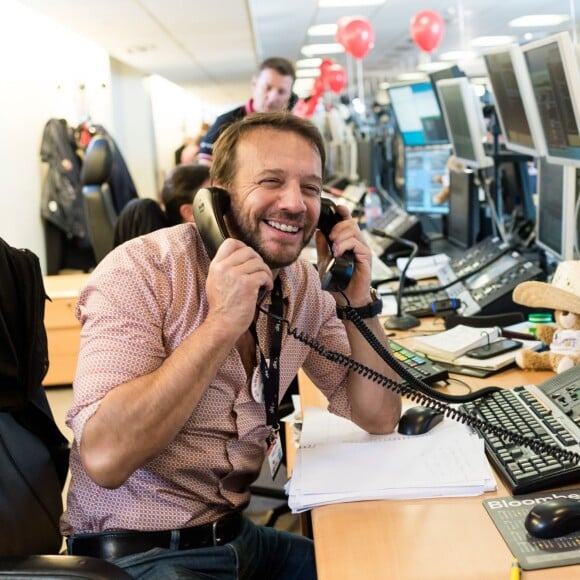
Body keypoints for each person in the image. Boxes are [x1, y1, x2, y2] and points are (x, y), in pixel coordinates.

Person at [61, 111, 402, 579]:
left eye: (310, 187)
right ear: (216, 196)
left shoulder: (301, 284)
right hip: (141, 555)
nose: (296, 204)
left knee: (379, 567)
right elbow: (105, 457)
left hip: (237, 537)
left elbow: (378, 415)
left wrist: (358, 301)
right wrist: (221, 323)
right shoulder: (142, 272)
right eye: (271, 181)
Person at [197, 57, 296, 165]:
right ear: (254, 84)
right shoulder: (225, 124)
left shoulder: (294, 131)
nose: (272, 98)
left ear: (289, 95)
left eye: (281, 92)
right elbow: (206, 172)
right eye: (267, 88)